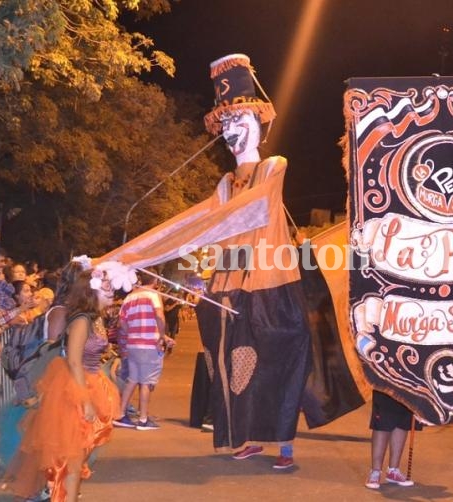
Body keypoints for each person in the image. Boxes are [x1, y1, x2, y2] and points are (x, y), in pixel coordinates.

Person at [193, 54, 312, 469]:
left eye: (239, 120)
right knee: (231, 366)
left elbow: (253, 212)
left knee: (282, 360)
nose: (231, 131)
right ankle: (243, 437)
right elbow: (205, 227)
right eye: (225, 123)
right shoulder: (224, 183)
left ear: (260, 123)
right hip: (229, 289)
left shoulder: (272, 168)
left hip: (273, 286)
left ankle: (284, 445)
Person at [5, 267, 121, 502]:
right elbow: (74, 361)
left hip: (92, 383)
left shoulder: (96, 318)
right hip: (74, 388)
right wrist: (85, 400)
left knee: (80, 456)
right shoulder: (81, 319)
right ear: (92, 291)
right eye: (107, 288)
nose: (113, 292)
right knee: (71, 460)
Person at [113, 273, 171, 430]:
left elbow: (122, 322)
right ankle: (143, 419)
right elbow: (159, 316)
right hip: (149, 344)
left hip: (133, 343)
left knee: (133, 379)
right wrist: (161, 335)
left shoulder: (130, 297)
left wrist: (133, 332)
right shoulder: (153, 295)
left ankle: (120, 414)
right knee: (146, 381)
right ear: (155, 280)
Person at [365, 391, 417, 489]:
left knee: (403, 421)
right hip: (387, 381)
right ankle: (375, 471)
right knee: (382, 421)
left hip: (408, 382)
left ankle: (393, 471)